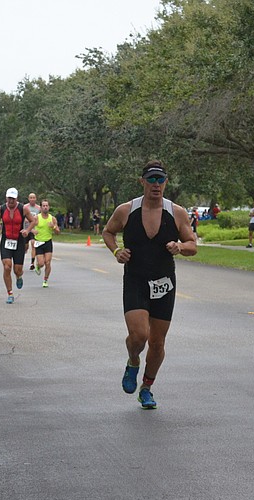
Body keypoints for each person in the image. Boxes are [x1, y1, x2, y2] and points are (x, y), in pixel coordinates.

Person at [102, 160, 197, 409]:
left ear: (166, 182)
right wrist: (116, 252)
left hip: (164, 283)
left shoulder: (177, 212)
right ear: (142, 181)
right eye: (151, 179)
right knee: (139, 336)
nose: (156, 185)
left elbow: (192, 245)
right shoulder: (126, 210)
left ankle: (147, 387)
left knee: (157, 343)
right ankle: (133, 361)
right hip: (135, 279)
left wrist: (180, 246)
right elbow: (108, 232)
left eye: (160, 180)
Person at [0, 188, 38, 304]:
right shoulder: (1, 209)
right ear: (6, 198)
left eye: (13, 198)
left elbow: (32, 221)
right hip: (6, 240)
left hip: (19, 241)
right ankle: (10, 293)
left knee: (17, 270)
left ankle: (19, 277)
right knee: (7, 266)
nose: (11, 200)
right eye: (9, 198)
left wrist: (27, 230)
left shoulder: (23, 208)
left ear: (16, 198)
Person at [30, 199, 60, 287]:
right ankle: (38, 266)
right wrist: (33, 231)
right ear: (41, 207)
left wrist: (54, 227)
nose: (45, 207)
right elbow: (29, 227)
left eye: (47, 206)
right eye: (43, 206)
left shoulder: (52, 218)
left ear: (49, 207)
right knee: (41, 263)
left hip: (48, 242)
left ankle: (45, 280)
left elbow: (58, 232)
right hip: (39, 242)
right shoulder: (36, 218)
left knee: (48, 262)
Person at [23, 193, 41, 270]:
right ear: (28, 198)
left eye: (34, 197)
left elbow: (40, 218)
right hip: (26, 229)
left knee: (34, 244)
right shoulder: (25, 207)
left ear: (36, 198)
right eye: (31, 197)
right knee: (25, 246)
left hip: (34, 230)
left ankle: (32, 263)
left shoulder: (39, 208)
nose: (32, 199)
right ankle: (25, 250)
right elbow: (21, 218)